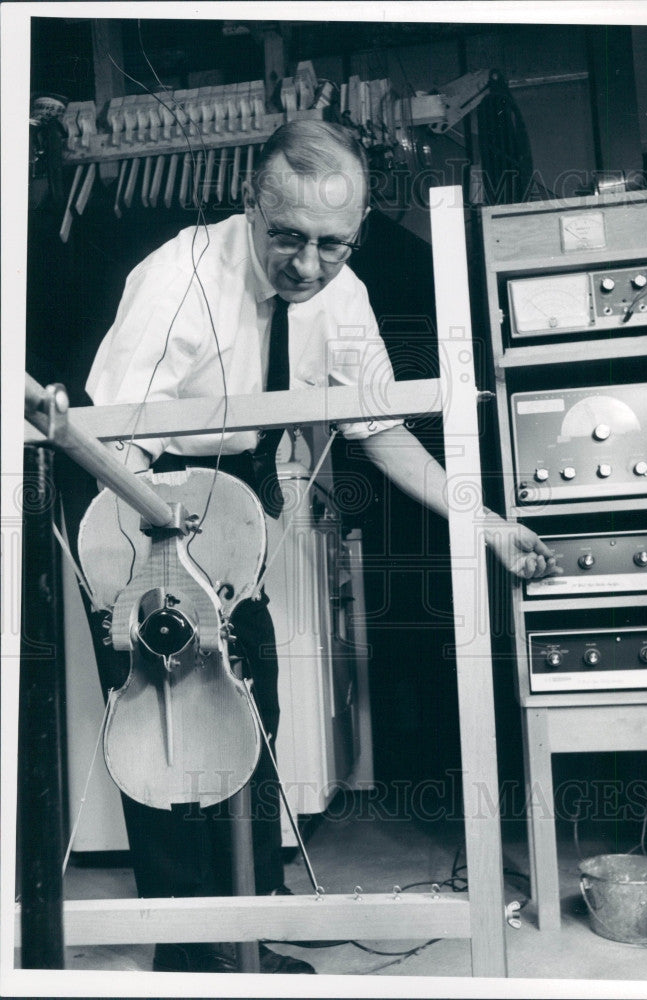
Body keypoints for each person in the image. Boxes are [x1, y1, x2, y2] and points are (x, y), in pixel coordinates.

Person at [85, 119, 559, 974]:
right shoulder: (177, 278)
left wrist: (486, 524)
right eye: (288, 239)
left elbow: (382, 433)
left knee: (248, 717)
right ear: (249, 205)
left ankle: (244, 939)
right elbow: (113, 443)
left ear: (361, 228)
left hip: (243, 503)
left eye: (332, 244)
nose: (308, 265)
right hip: (145, 501)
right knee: (169, 730)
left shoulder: (343, 301)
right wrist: (159, 562)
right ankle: (193, 963)